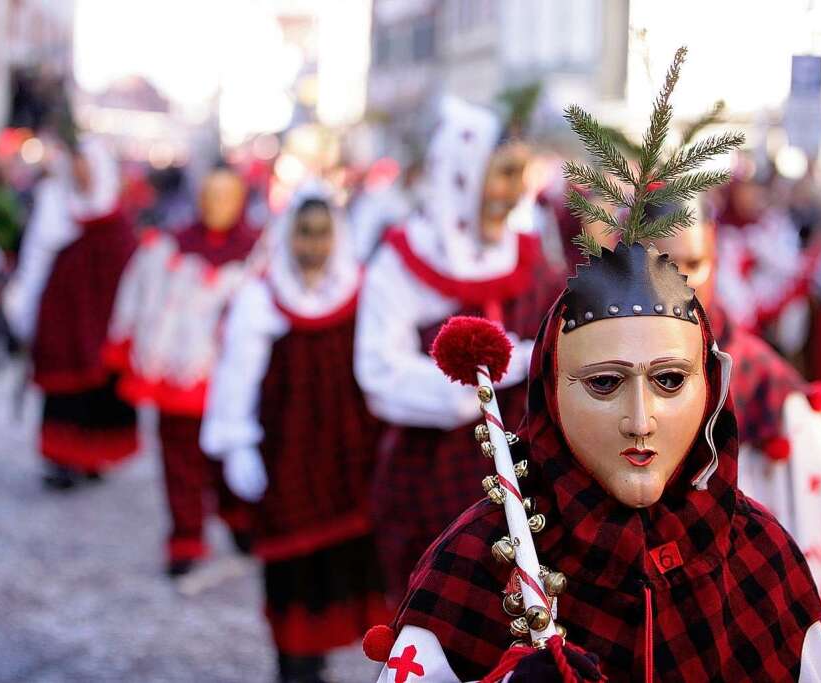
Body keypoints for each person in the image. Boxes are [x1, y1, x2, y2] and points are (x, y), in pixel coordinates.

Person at [369, 50, 821, 682]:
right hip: (454, 467)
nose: (641, 420)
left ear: (711, 386)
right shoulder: (474, 567)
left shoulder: (758, 558)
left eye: (671, 381)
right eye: (605, 384)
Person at [653, 212, 821, 656]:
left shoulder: (767, 387)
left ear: (715, 259)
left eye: (694, 263)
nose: (680, 283)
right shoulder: (599, 375)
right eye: (661, 264)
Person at [354, 95, 558, 604]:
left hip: (531, 480)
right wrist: (480, 385)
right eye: (502, 173)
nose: (514, 193)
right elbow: (379, 371)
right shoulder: (403, 262)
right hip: (432, 479)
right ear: (463, 174)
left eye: (519, 175)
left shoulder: (533, 259)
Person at [201, 185, 389, 683]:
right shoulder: (261, 298)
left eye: (324, 233)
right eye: (305, 233)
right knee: (292, 571)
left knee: (351, 569)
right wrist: (237, 443)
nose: (314, 245)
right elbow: (236, 376)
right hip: (287, 457)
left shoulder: (362, 289)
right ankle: (297, 666)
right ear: (288, 236)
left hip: (350, 459)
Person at [104, 166, 261, 576]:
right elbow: (136, 295)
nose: (216, 205)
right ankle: (186, 536)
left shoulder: (261, 254)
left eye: (225, 196)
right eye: (209, 195)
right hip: (178, 373)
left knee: (233, 454)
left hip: (236, 379)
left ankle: (240, 518)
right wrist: (126, 345)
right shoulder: (168, 247)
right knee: (179, 460)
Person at [3, 137, 138, 489]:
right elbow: (37, 258)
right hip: (62, 316)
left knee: (99, 391)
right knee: (63, 390)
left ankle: (93, 455)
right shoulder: (55, 209)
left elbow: (127, 272)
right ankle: (61, 458)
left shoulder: (116, 219)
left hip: (102, 319)